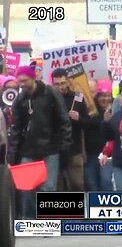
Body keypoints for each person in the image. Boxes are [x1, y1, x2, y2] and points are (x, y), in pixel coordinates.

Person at [10, 65, 72, 219]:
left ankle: (47, 221)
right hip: (28, 149)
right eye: (19, 81)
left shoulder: (51, 93)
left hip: (51, 148)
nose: (22, 84)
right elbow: (16, 128)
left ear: (33, 78)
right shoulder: (20, 99)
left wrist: (64, 147)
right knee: (26, 188)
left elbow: (64, 120)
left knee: (48, 188)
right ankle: (29, 220)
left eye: (24, 80)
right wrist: (12, 155)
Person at [52, 68, 89, 191]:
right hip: (55, 150)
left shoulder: (77, 98)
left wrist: (79, 118)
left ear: (68, 81)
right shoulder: (48, 99)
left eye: (63, 83)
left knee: (77, 184)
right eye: (57, 84)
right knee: (57, 186)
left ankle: (78, 209)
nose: (60, 87)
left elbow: (87, 124)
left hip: (74, 149)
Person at [83, 79, 114, 191]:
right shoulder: (90, 109)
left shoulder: (116, 109)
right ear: (97, 96)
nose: (106, 99)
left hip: (108, 155)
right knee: (92, 185)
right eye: (102, 96)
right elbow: (86, 123)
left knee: (106, 183)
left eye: (108, 95)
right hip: (91, 154)